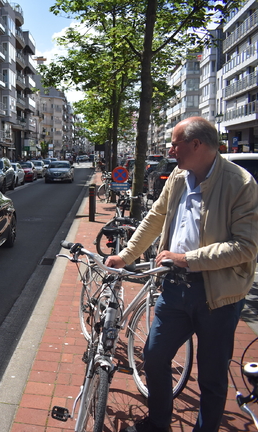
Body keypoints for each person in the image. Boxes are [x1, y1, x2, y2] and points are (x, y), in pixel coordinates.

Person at [105, 117, 258, 432]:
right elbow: (156, 217)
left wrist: (187, 258)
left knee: (212, 377)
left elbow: (246, 247)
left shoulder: (240, 184)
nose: (171, 149)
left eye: (175, 143)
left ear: (197, 145)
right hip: (175, 288)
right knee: (155, 356)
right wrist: (125, 255)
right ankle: (159, 424)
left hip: (219, 295)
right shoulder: (177, 176)